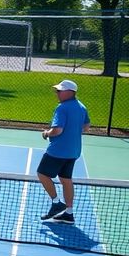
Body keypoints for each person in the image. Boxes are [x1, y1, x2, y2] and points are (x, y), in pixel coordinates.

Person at [37, 79, 90, 225]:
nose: (57, 93)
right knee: (66, 179)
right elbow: (86, 127)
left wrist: (46, 133)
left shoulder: (62, 108)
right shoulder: (81, 107)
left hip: (58, 151)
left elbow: (57, 130)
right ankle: (69, 213)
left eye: (59, 91)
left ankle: (56, 203)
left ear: (70, 92)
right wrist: (72, 132)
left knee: (42, 174)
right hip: (73, 151)